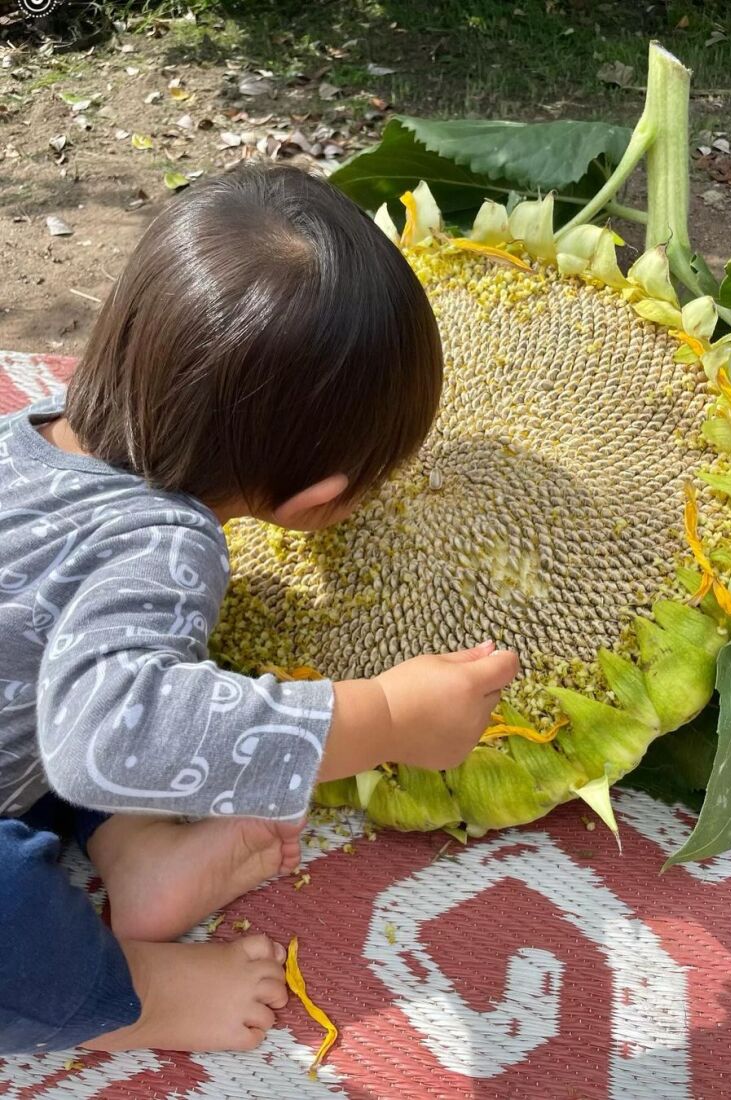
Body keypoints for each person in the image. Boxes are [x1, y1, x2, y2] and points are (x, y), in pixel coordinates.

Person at [0, 164, 519, 1056]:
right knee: (28, 892)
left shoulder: (26, 435)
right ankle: (142, 1000)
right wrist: (384, 715)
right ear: (317, 501)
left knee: (65, 678)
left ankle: (136, 851)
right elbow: (112, 733)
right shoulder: (163, 545)